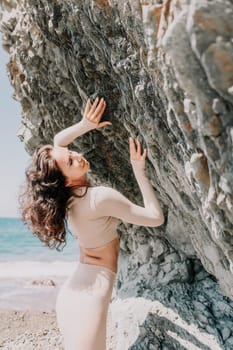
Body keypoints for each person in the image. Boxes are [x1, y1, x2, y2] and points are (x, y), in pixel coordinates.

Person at [20, 96, 164, 350]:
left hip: (76, 286)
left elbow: (58, 143)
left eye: (72, 153)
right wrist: (139, 170)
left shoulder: (66, 198)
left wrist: (85, 124)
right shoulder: (100, 198)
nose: (78, 155)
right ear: (63, 181)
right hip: (91, 295)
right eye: (71, 161)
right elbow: (155, 218)